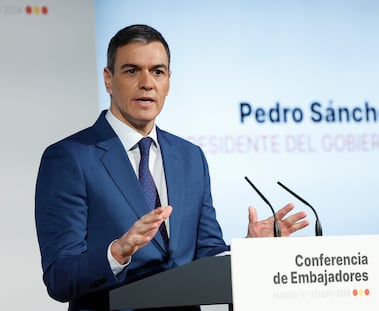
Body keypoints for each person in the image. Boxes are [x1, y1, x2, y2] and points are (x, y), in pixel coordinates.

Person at [35, 24, 309, 311]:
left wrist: (248, 253)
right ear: (108, 79)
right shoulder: (70, 158)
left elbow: (206, 255)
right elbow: (59, 277)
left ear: (168, 81)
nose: (147, 83)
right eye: (131, 71)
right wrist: (117, 252)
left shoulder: (190, 158)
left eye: (157, 71)